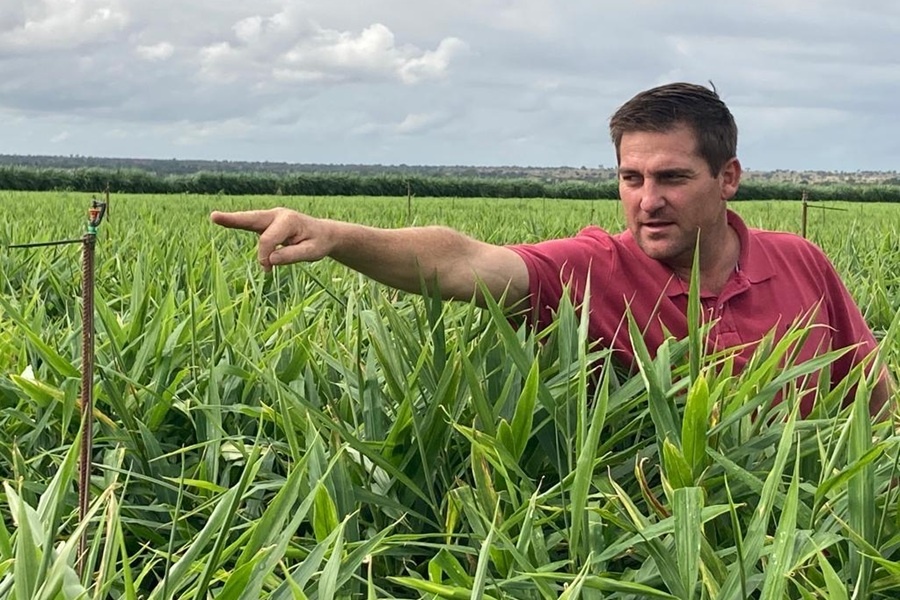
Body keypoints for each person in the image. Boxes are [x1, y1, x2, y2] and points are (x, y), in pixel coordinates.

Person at [211, 82, 891, 418]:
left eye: (673, 178)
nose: (647, 199)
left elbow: (874, 399)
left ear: (728, 179)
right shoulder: (591, 270)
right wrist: (336, 237)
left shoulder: (802, 261)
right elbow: (460, 261)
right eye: (632, 177)